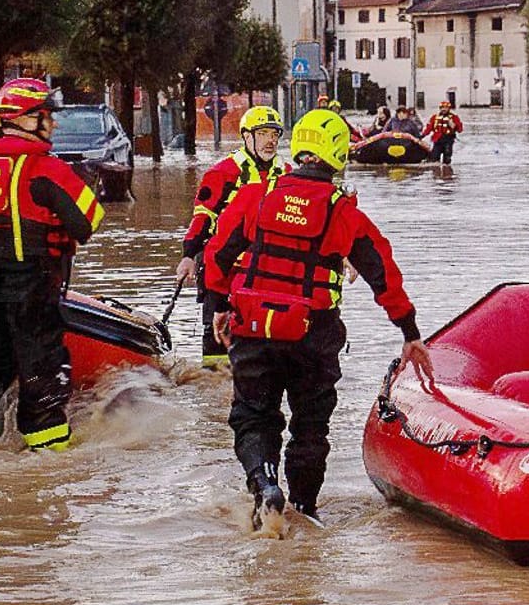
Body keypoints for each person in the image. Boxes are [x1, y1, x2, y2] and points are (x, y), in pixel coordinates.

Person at [203, 108, 436, 529]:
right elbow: (382, 273)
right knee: (310, 427)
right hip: (313, 334)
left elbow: (217, 255)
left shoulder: (257, 195)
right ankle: (305, 512)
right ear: (335, 154)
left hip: (254, 329)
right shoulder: (343, 212)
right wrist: (410, 333)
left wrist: (219, 306)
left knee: (253, 416)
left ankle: (264, 484)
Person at [0, 79, 105, 458]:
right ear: (25, 120)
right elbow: (88, 222)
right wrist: (88, 182)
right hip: (32, 289)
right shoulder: (47, 169)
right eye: (46, 117)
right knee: (43, 379)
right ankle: (49, 472)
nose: (53, 125)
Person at [177, 105, 287, 369]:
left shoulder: (286, 173)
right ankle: (213, 386)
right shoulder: (223, 172)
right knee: (215, 337)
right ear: (247, 136)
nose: (270, 140)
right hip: (220, 264)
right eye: (263, 134)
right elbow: (202, 218)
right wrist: (188, 255)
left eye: (275, 134)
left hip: (261, 269)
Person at [423, 100, 464, 164]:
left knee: (447, 159)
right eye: (442, 108)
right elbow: (429, 128)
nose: (444, 109)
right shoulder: (434, 117)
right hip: (437, 140)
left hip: (448, 140)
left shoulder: (454, 117)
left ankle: (447, 172)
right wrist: (422, 135)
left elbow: (460, 130)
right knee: (434, 159)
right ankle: (436, 172)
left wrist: (454, 125)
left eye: (446, 108)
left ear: (449, 109)